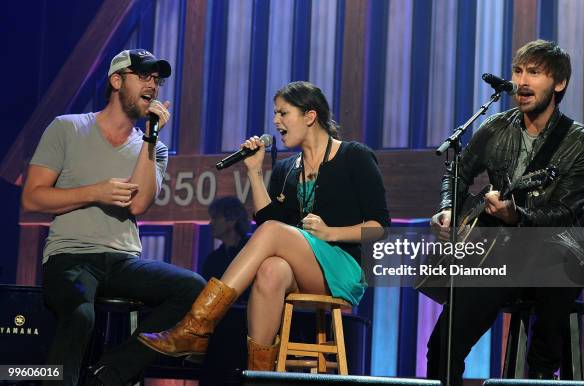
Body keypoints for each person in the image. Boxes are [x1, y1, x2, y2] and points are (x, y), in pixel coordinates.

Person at [138, 81, 390, 371]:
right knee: (270, 270)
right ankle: (260, 372)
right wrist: (255, 172)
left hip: (342, 267)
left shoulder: (353, 156)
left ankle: (198, 325)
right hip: (302, 266)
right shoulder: (286, 169)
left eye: (283, 113)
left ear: (310, 116)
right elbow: (270, 224)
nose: (275, 121)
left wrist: (331, 232)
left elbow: (379, 227)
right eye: (275, 114)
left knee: (271, 234)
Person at [22, 49, 206, 385]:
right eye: (144, 76)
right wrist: (95, 192)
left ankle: (107, 375)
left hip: (122, 262)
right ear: (117, 81)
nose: (152, 84)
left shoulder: (153, 147)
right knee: (81, 314)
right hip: (72, 260)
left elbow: (138, 206)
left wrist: (151, 136)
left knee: (192, 288)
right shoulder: (68, 128)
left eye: (157, 79)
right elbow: (33, 197)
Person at [428, 40, 584, 385]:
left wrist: (517, 215)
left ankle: (540, 372)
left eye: (534, 73)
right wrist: (448, 209)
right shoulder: (496, 127)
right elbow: (457, 173)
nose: (522, 81)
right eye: (518, 70)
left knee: (559, 270)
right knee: (442, 347)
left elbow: (566, 212)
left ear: (559, 83)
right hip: (499, 253)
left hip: (553, 255)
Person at [200, 196, 251, 303]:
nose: (210, 223)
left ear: (232, 219)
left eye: (215, 218)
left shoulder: (253, 249)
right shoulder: (213, 259)